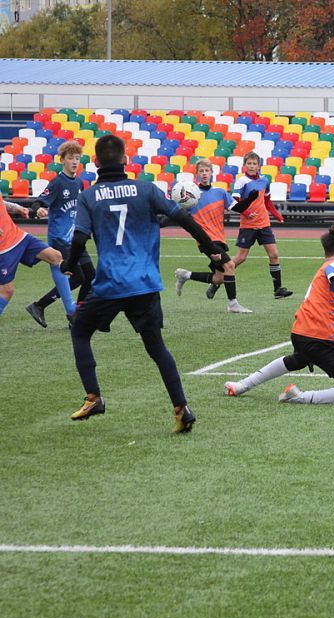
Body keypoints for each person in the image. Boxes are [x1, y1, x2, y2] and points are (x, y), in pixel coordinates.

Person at [62, 134, 232, 432]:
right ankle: (182, 409)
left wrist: (68, 264)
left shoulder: (89, 196)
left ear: (96, 163)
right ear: (126, 160)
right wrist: (212, 251)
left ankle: (94, 397)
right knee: (156, 347)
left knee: (80, 331)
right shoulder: (146, 189)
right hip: (145, 283)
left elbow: (79, 238)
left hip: (111, 284)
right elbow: (186, 220)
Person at [225, 226, 334, 405]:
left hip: (302, 334)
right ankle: (299, 397)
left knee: (298, 359)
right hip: (318, 339)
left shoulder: (325, 274)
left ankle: (242, 385)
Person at [24, 140, 93, 328]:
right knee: (78, 277)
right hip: (59, 239)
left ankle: (67, 312)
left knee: (91, 276)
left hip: (74, 238)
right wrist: (38, 209)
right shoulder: (57, 183)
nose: (74, 162)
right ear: (62, 160)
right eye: (70, 158)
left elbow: (82, 209)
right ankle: (67, 314)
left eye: (77, 158)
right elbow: (38, 202)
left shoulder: (79, 183)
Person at [173, 159, 253, 314]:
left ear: (211, 173)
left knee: (219, 278)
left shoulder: (220, 192)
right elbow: (177, 214)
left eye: (206, 171)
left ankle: (185, 275)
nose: (204, 174)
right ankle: (232, 304)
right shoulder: (191, 196)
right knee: (230, 265)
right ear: (197, 174)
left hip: (219, 239)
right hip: (205, 241)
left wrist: (250, 199)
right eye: (201, 171)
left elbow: (237, 207)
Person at [0, 195, 75, 321]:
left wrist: (17, 208)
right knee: (7, 291)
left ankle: (72, 312)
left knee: (55, 257)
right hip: (4, 247)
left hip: (18, 236)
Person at [230, 151, 293, 299]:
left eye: (254, 163)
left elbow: (267, 201)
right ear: (244, 165)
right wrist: (246, 213)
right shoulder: (241, 181)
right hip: (248, 225)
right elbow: (235, 202)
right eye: (249, 163)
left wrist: (277, 216)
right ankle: (218, 279)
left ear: (259, 166)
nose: (252, 166)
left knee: (274, 254)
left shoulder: (265, 181)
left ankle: (278, 290)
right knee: (241, 258)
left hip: (264, 224)